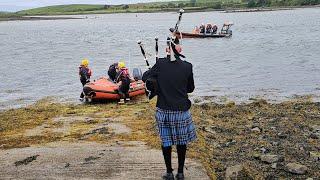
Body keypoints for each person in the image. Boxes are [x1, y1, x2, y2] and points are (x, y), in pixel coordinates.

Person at [142, 38, 197, 180]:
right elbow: (190, 88)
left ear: (168, 50)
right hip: (181, 111)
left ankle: (169, 173)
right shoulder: (187, 66)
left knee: (166, 142)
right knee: (181, 142)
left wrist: (154, 74)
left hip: (164, 111)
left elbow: (144, 78)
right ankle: (180, 173)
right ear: (179, 50)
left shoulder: (160, 64)